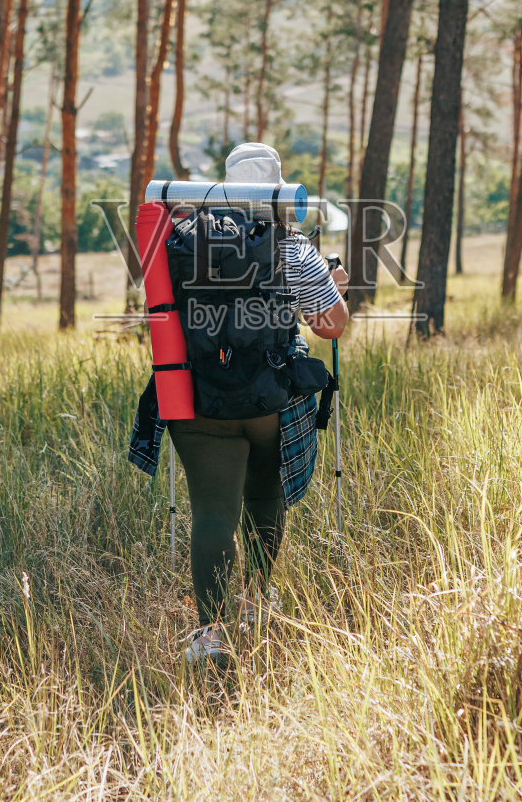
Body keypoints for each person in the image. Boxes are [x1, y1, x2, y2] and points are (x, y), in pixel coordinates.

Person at [128, 142, 348, 672]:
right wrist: (331, 286)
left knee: (211, 509)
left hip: (192, 397)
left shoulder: (183, 239)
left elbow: (161, 310)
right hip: (265, 401)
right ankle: (257, 602)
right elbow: (332, 325)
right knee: (263, 495)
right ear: (276, 190)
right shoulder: (291, 247)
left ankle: (209, 632)